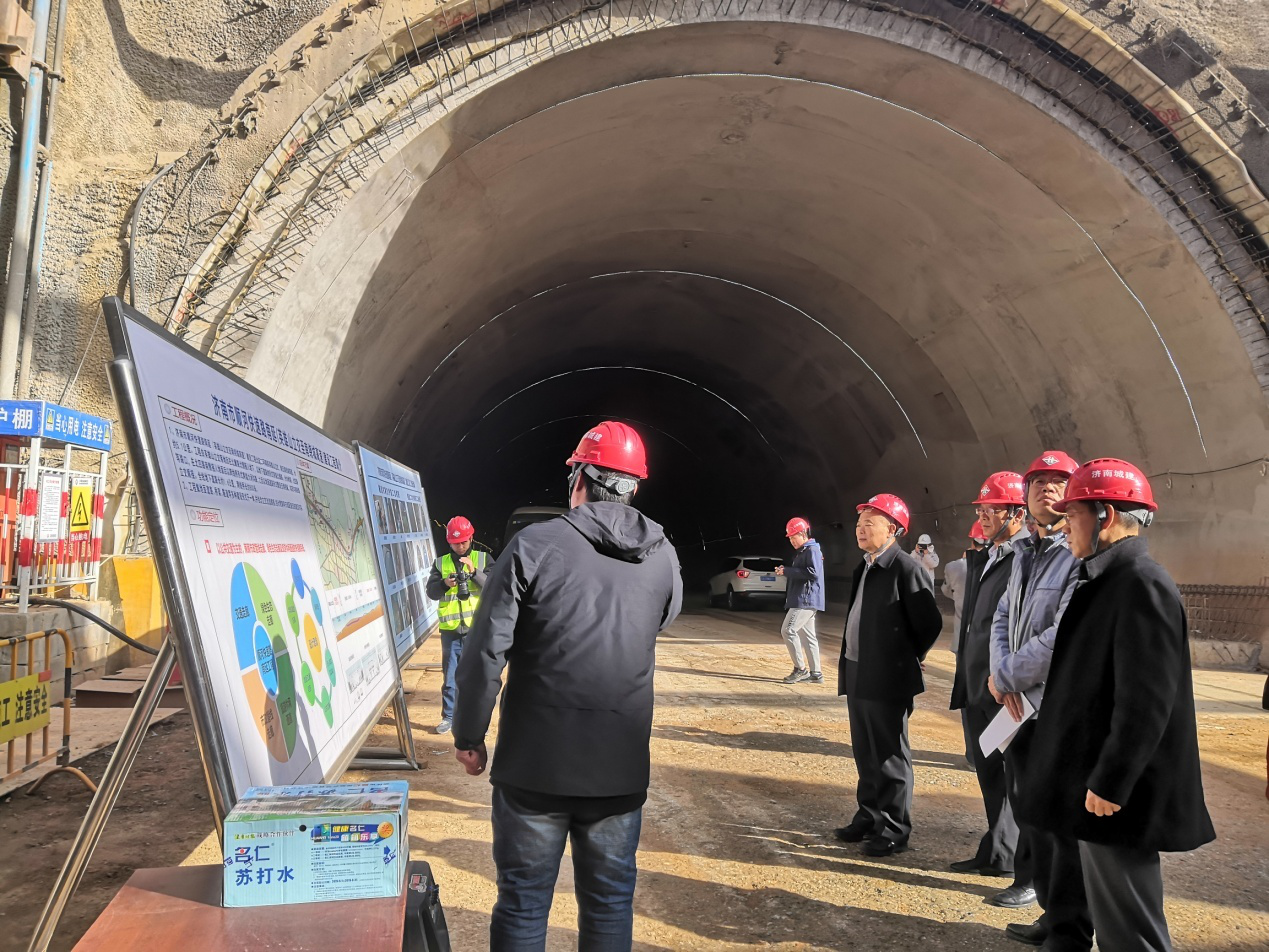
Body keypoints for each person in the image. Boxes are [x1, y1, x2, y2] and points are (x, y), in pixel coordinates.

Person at [451, 421, 682, 952]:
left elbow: (485, 650)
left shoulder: (534, 545)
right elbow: (660, 620)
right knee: (609, 903)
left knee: (523, 902)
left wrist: (469, 735)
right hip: (619, 767)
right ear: (633, 487)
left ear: (579, 478)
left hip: (534, 765)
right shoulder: (663, 555)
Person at [1021, 459, 1215, 952]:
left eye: (1073, 515)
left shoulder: (1140, 584)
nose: (1065, 526)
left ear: (1105, 516)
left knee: (1130, 929)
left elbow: (1146, 700)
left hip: (1117, 797)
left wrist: (1112, 780)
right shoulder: (1106, 580)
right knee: (1113, 923)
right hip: (1095, 784)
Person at [987, 450, 1092, 950]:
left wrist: (1008, 676)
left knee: (1060, 822)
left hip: (1054, 707)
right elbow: (1004, 616)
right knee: (1031, 810)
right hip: (1018, 706)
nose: (1046, 487)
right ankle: (1051, 915)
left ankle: (1071, 928)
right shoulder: (1024, 551)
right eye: (1037, 481)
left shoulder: (1078, 553)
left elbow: (1062, 634)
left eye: (1058, 481)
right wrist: (1000, 674)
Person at [835, 493, 942, 857]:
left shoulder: (906, 568)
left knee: (890, 755)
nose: (860, 529)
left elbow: (929, 623)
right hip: (857, 670)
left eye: (870, 523)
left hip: (887, 676)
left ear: (892, 529)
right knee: (865, 750)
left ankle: (895, 829)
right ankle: (868, 816)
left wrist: (907, 656)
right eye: (859, 524)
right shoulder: (866, 566)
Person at [949, 472, 1033, 909]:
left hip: (1008, 690)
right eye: (980, 510)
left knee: (1018, 782)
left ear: (1017, 514)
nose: (982, 517)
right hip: (979, 684)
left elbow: (1023, 627)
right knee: (990, 775)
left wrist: (1010, 678)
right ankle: (998, 851)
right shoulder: (988, 555)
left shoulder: (1027, 558)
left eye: (991, 510)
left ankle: (1028, 873)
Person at [424, 515, 492, 735]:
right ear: (449, 542)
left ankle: (476, 718)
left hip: (476, 629)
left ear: (471, 538)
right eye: (455, 543)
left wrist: (474, 573)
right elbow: (431, 592)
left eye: (463, 542)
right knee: (451, 676)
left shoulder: (483, 559)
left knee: (478, 675)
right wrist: (445, 584)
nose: (460, 546)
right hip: (451, 630)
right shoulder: (440, 563)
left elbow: (494, 587)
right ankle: (449, 717)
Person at [942, 521, 987, 768]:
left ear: (971, 541)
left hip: (963, 643)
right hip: (991, 646)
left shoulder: (955, 567)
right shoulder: (1004, 564)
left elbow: (946, 591)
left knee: (968, 700)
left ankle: (973, 755)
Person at [774, 516, 824, 684]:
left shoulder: (812, 550)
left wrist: (787, 571)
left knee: (788, 630)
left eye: (794, 537)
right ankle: (816, 673)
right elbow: (805, 571)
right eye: (790, 538)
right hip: (805, 598)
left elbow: (813, 573)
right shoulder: (804, 551)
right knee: (809, 636)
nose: (792, 541)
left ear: (803, 533)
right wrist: (786, 570)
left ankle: (800, 669)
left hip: (805, 599)